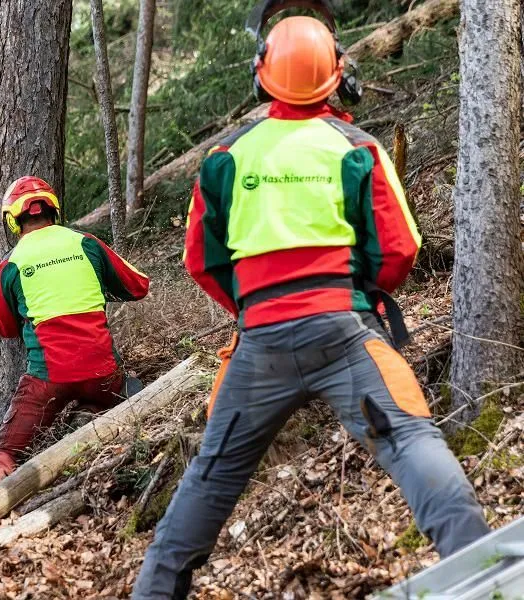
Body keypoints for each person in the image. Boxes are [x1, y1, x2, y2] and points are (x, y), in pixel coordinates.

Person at [132, 2, 489, 597]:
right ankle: (483, 568)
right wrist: (360, 296)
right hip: (343, 334)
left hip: (261, 348)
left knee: (212, 478)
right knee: (410, 440)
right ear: (338, 74)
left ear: (262, 72)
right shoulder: (354, 147)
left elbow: (202, 260)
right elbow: (400, 247)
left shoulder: (225, 160)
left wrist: (254, 309)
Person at [0, 175, 150, 494]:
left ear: (13, 220)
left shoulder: (10, 265)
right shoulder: (86, 243)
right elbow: (138, 286)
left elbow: (6, 329)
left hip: (47, 379)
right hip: (102, 373)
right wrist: (94, 287)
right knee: (109, 387)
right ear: (54, 209)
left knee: (2, 452)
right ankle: (107, 403)